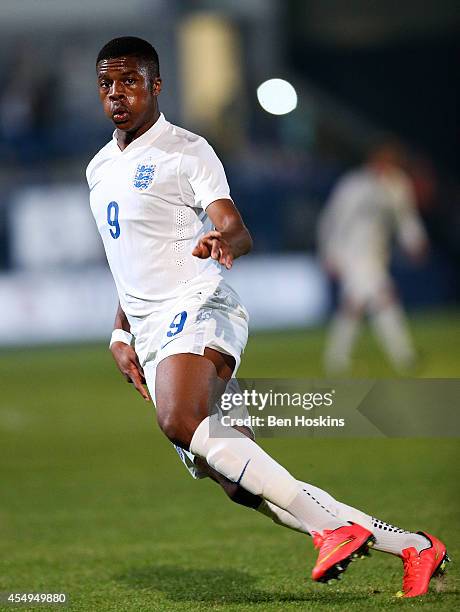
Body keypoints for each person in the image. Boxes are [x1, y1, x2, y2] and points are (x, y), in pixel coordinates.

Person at [86, 37, 448, 598]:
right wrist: (120, 329)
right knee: (239, 480)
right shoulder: (99, 169)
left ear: (157, 86)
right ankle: (415, 547)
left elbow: (237, 228)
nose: (117, 94)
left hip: (201, 308)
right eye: (107, 83)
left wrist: (220, 239)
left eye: (130, 81)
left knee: (177, 418)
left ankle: (332, 530)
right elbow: (128, 260)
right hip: (155, 331)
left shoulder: (187, 151)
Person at [318, 142, 429, 374]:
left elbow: (405, 218)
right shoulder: (353, 185)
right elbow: (333, 219)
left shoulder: (397, 185)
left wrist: (415, 241)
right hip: (350, 253)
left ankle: (336, 359)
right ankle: (404, 357)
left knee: (358, 305)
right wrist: (329, 252)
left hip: (376, 255)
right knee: (383, 298)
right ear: (373, 159)